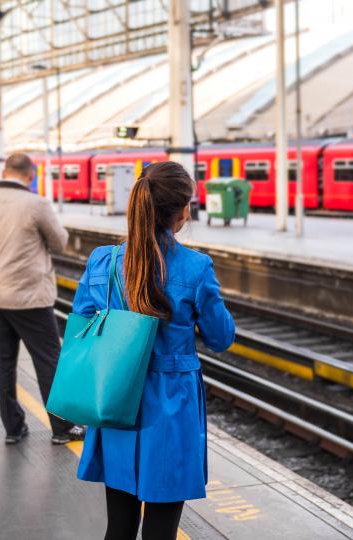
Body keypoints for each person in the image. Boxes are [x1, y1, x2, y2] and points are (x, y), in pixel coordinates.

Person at [72, 162, 235, 540]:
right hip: (171, 405)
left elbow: (81, 321)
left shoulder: (102, 260)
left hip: (114, 397)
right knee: (162, 529)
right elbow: (220, 337)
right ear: (181, 212)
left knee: (120, 524)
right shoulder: (196, 268)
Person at [0, 152, 83, 445]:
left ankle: (13, 428)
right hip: (30, 297)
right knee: (48, 361)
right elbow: (59, 243)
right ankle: (63, 428)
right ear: (31, 174)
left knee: (4, 362)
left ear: (4, 170)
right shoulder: (35, 204)